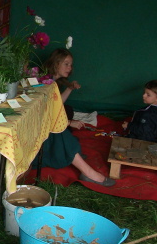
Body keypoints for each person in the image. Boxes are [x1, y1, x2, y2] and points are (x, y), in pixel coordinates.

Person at [34, 49, 116, 187]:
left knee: (67, 111)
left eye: (71, 65)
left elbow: (56, 105)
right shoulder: (43, 82)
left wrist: (69, 89)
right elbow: (43, 114)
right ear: (56, 63)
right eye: (66, 64)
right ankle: (87, 172)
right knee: (59, 130)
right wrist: (68, 123)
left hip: (44, 123)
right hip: (37, 131)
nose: (69, 68)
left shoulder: (52, 81)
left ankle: (70, 152)